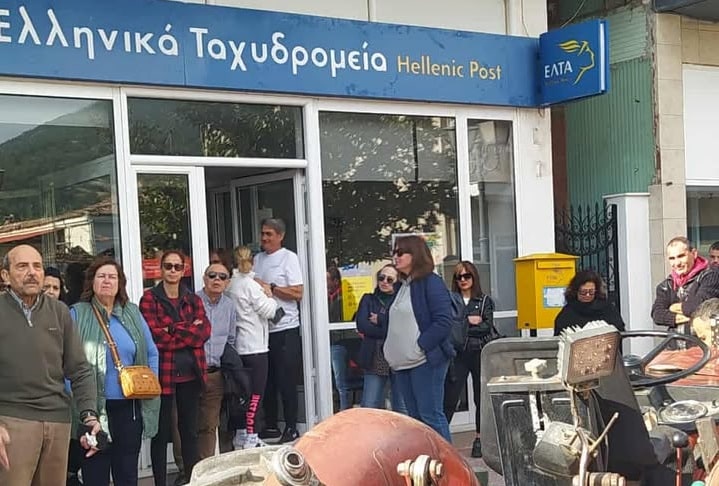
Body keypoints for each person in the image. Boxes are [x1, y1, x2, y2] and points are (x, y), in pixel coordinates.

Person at [0, 244, 101, 485]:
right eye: (22, 266)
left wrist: (89, 415)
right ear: (5, 275)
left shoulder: (59, 311)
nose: (32, 272)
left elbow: (80, 369)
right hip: (12, 423)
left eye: (37, 266)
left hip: (57, 422)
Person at [70, 257, 160, 486]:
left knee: (127, 475)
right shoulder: (78, 314)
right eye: (101, 276)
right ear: (92, 282)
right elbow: (66, 362)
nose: (107, 281)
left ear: (120, 283)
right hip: (93, 411)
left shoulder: (132, 312)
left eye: (112, 277)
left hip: (129, 409)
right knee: (95, 475)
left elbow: (151, 352)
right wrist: (78, 403)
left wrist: (150, 381)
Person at [139, 250, 211, 486]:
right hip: (162, 375)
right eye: (168, 266)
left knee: (190, 432)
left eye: (177, 267)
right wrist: (187, 329)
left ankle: (191, 480)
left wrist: (171, 329)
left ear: (183, 270)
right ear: (161, 269)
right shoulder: (149, 299)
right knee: (160, 434)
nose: (172, 271)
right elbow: (153, 337)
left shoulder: (193, 299)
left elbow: (203, 333)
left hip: (191, 374)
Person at [384, 235, 454, 443]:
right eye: (394, 252)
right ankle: (425, 459)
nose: (395, 257)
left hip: (426, 361)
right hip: (402, 363)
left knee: (430, 416)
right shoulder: (403, 286)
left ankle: (447, 461)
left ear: (415, 255)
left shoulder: (431, 282)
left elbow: (443, 321)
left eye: (400, 252)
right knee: (415, 419)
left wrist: (420, 346)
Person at [253, 218, 304, 443]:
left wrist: (272, 288)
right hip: (263, 330)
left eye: (269, 234)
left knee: (286, 380)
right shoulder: (257, 259)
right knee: (268, 380)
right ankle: (271, 425)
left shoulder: (288, 258)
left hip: (285, 328)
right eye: (263, 233)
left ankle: (292, 427)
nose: (264, 238)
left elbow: (298, 293)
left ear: (280, 236)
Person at [227, 246, 279, 449]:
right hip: (255, 347)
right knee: (256, 394)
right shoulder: (250, 285)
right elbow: (269, 311)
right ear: (253, 262)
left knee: (241, 394)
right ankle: (252, 436)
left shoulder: (230, 285)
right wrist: (270, 295)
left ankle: (241, 434)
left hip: (238, 347)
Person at [443, 261, 495, 458]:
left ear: (474, 277)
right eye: (459, 277)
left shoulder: (484, 300)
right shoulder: (451, 300)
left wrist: (462, 326)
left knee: (480, 397)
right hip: (458, 354)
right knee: (451, 396)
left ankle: (480, 438)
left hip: (478, 351)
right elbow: (449, 327)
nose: (463, 280)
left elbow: (486, 327)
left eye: (467, 276)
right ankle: (441, 437)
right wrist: (468, 321)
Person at [196, 262, 237, 460]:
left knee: (209, 425)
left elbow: (231, 338)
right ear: (205, 279)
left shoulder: (229, 305)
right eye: (212, 275)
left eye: (222, 277)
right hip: (192, 373)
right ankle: (185, 469)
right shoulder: (192, 301)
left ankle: (205, 466)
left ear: (227, 282)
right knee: (186, 424)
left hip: (215, 374)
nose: (217, 280)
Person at [355, 264, 406, 412]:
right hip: (374, 355)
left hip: (398, 356)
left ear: (397, 282)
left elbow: (402, 327)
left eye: (390, 279)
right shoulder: (368, 299)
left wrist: (381, 319)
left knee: (402, 406)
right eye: (381, 278)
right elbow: (362, 326)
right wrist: (388, 328)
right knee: (369, 405)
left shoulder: (401, 302)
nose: (384, 282)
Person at [651, 237, 719, 335]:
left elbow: (697, 307)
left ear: (694, 254)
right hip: (674, 341)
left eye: (681, 256)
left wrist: (672, 308)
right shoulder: (666, 285)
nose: (677, 263)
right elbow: (657, 315)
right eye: (672, 258)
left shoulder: (711, 276)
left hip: (703, 342)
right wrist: (689, 316)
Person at [554, 269, 625, 336]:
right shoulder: (568, 312)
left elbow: (620, 330)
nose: (587, 295)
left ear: (597, 291)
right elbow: (559, 337)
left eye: (591, 292)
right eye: (583, 292)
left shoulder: (608, 309)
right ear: (575, 291)